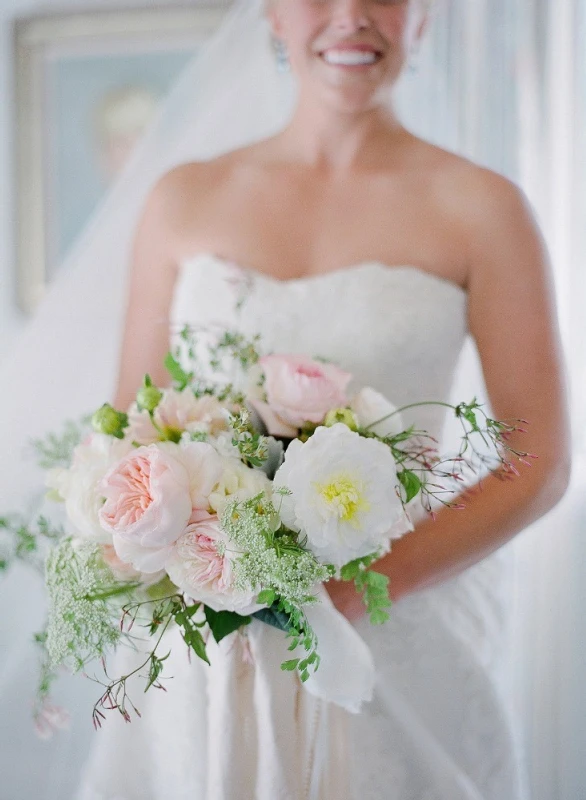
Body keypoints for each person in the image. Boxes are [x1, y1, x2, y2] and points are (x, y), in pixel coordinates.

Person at [1, 0, 570, 798]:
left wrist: (357, 589)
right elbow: (130, 430)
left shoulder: (483, 207)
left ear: (425, 16)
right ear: (270, 12)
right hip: (200, 639)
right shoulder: (182, 199)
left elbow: (537, 461)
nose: (351, 16)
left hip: (390, 628)